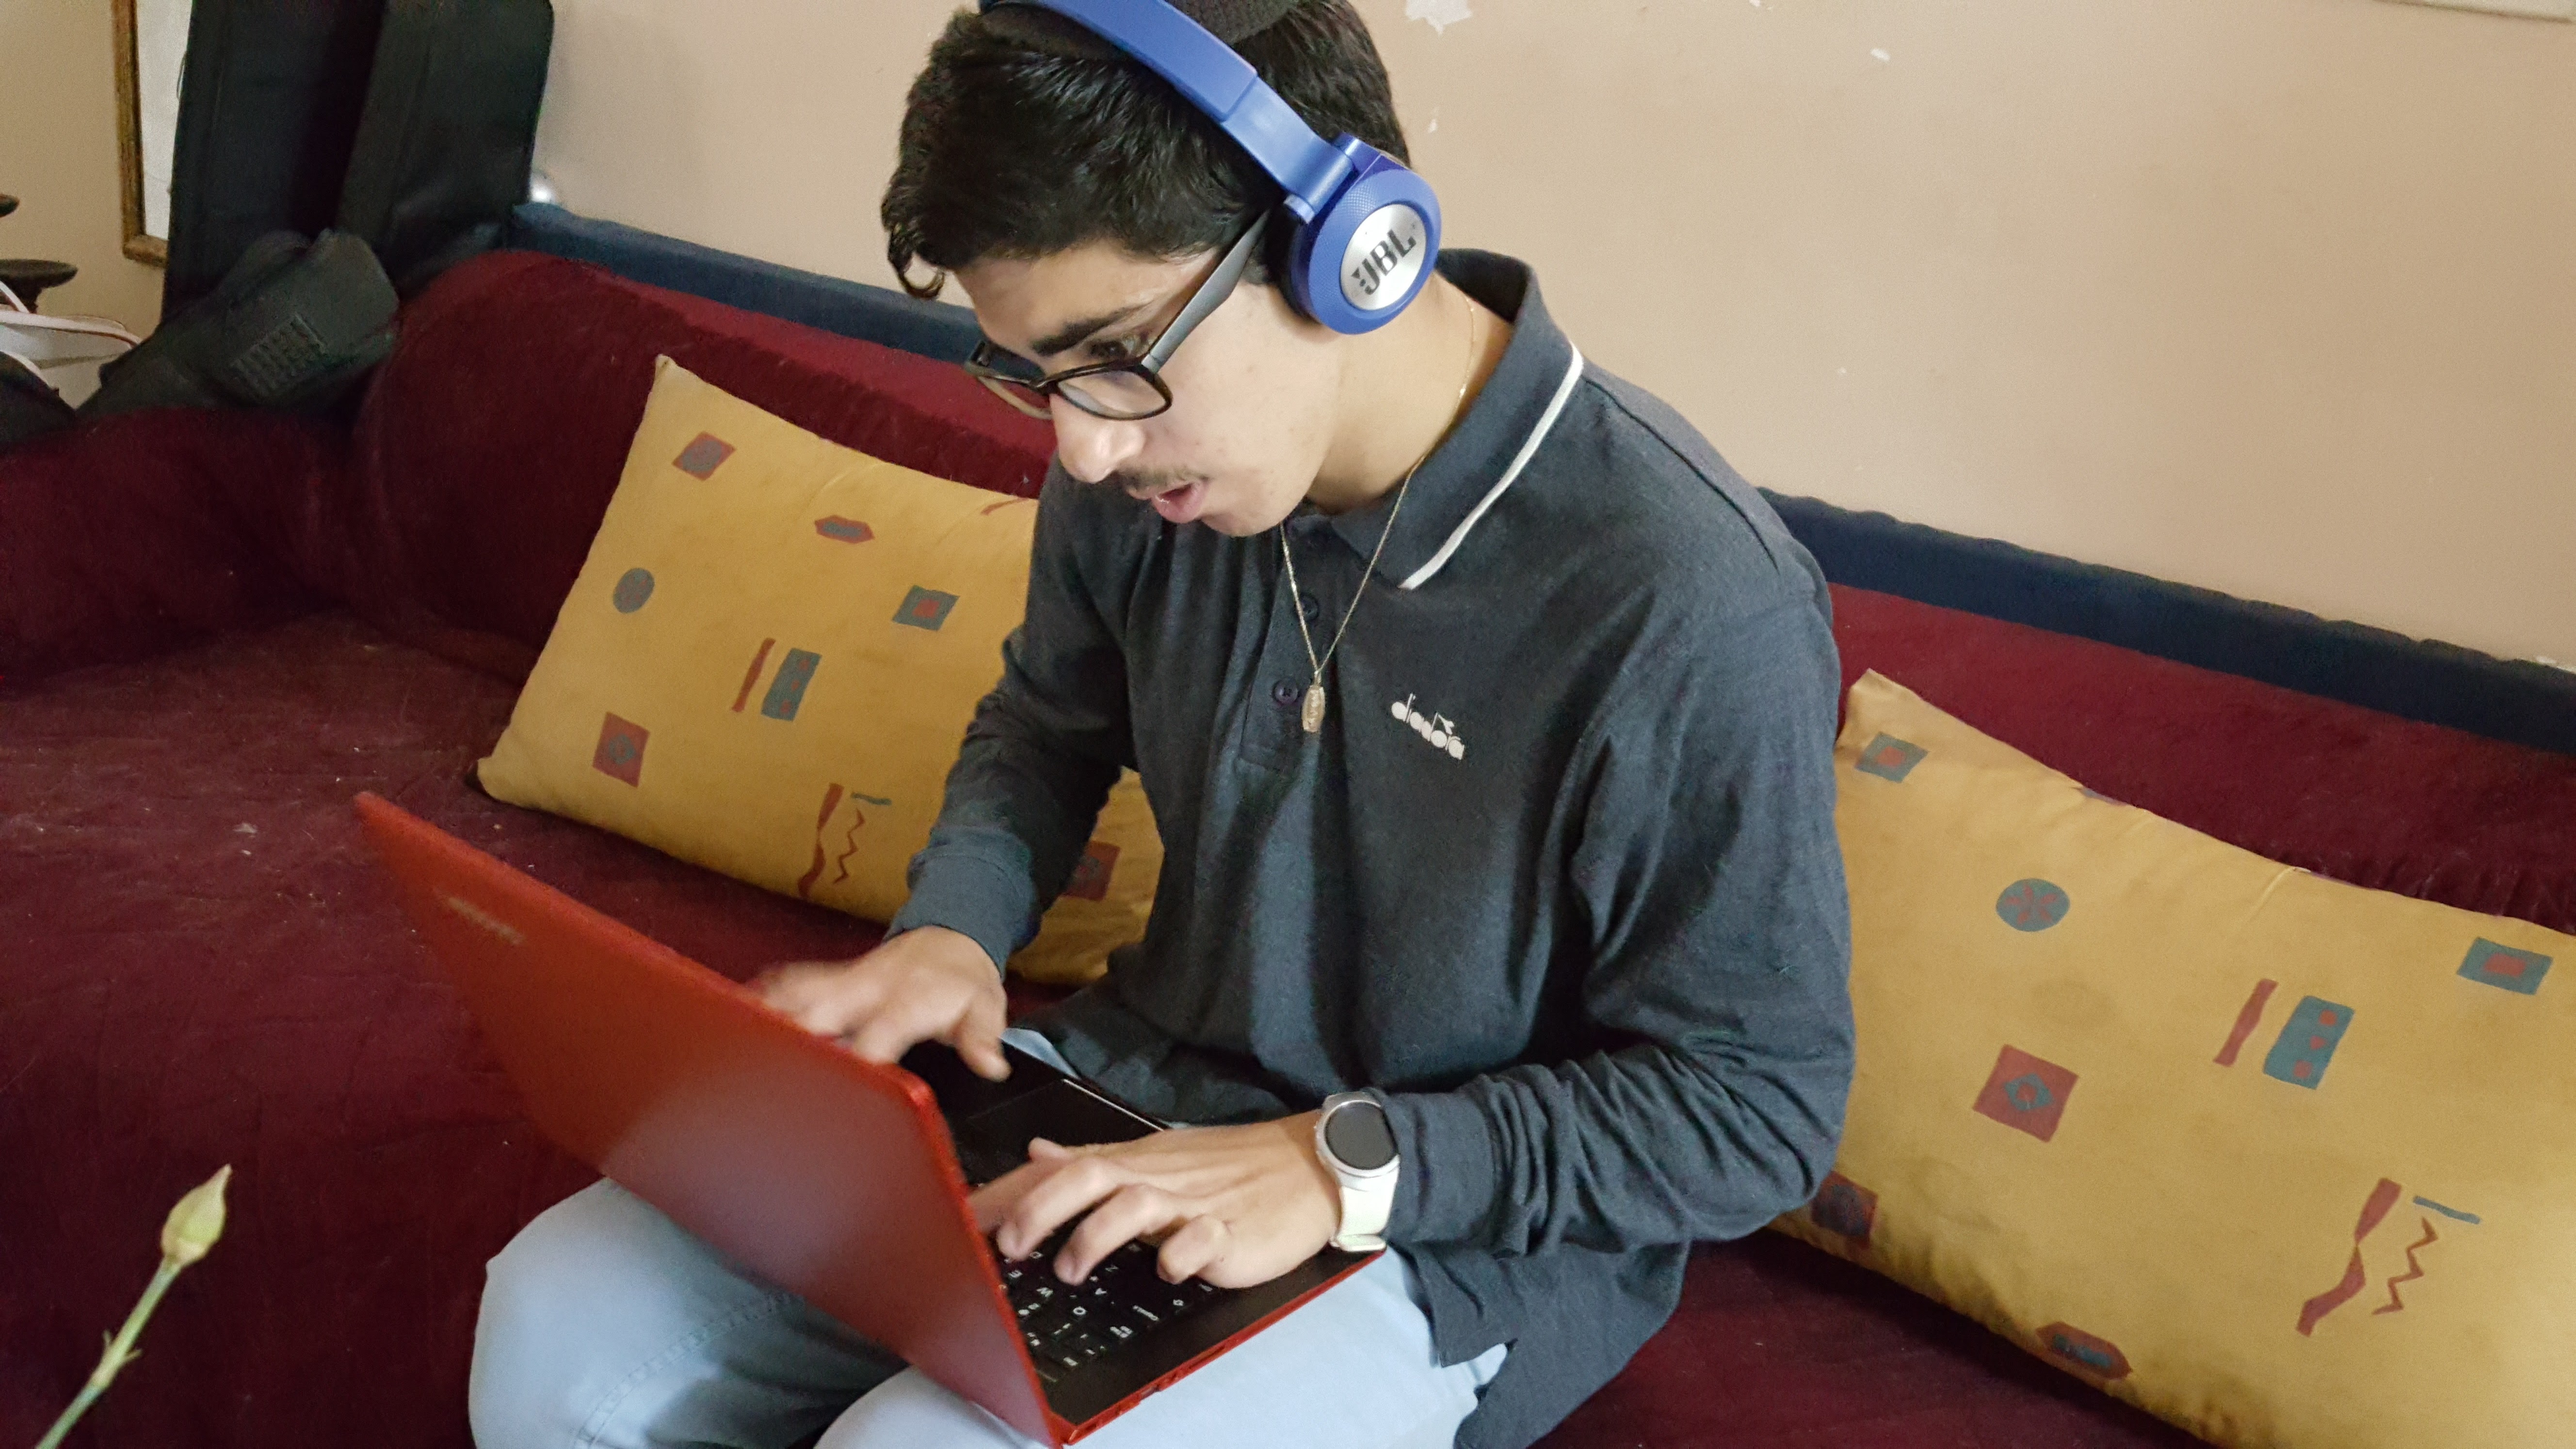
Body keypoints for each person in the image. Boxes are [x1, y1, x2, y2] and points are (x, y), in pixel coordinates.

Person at [467, 4, 1853, 1448]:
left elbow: (1758, 1108)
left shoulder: (1691, 601)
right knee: (564, 1320)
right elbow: (1048, 725)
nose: (1080, 447)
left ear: (1353, 254)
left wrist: (1334, 1162)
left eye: (1117, 353)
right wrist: (953, 933)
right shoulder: (1144, 462)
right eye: (1036, 374)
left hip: (1447, 1232)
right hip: (1132, 1089)